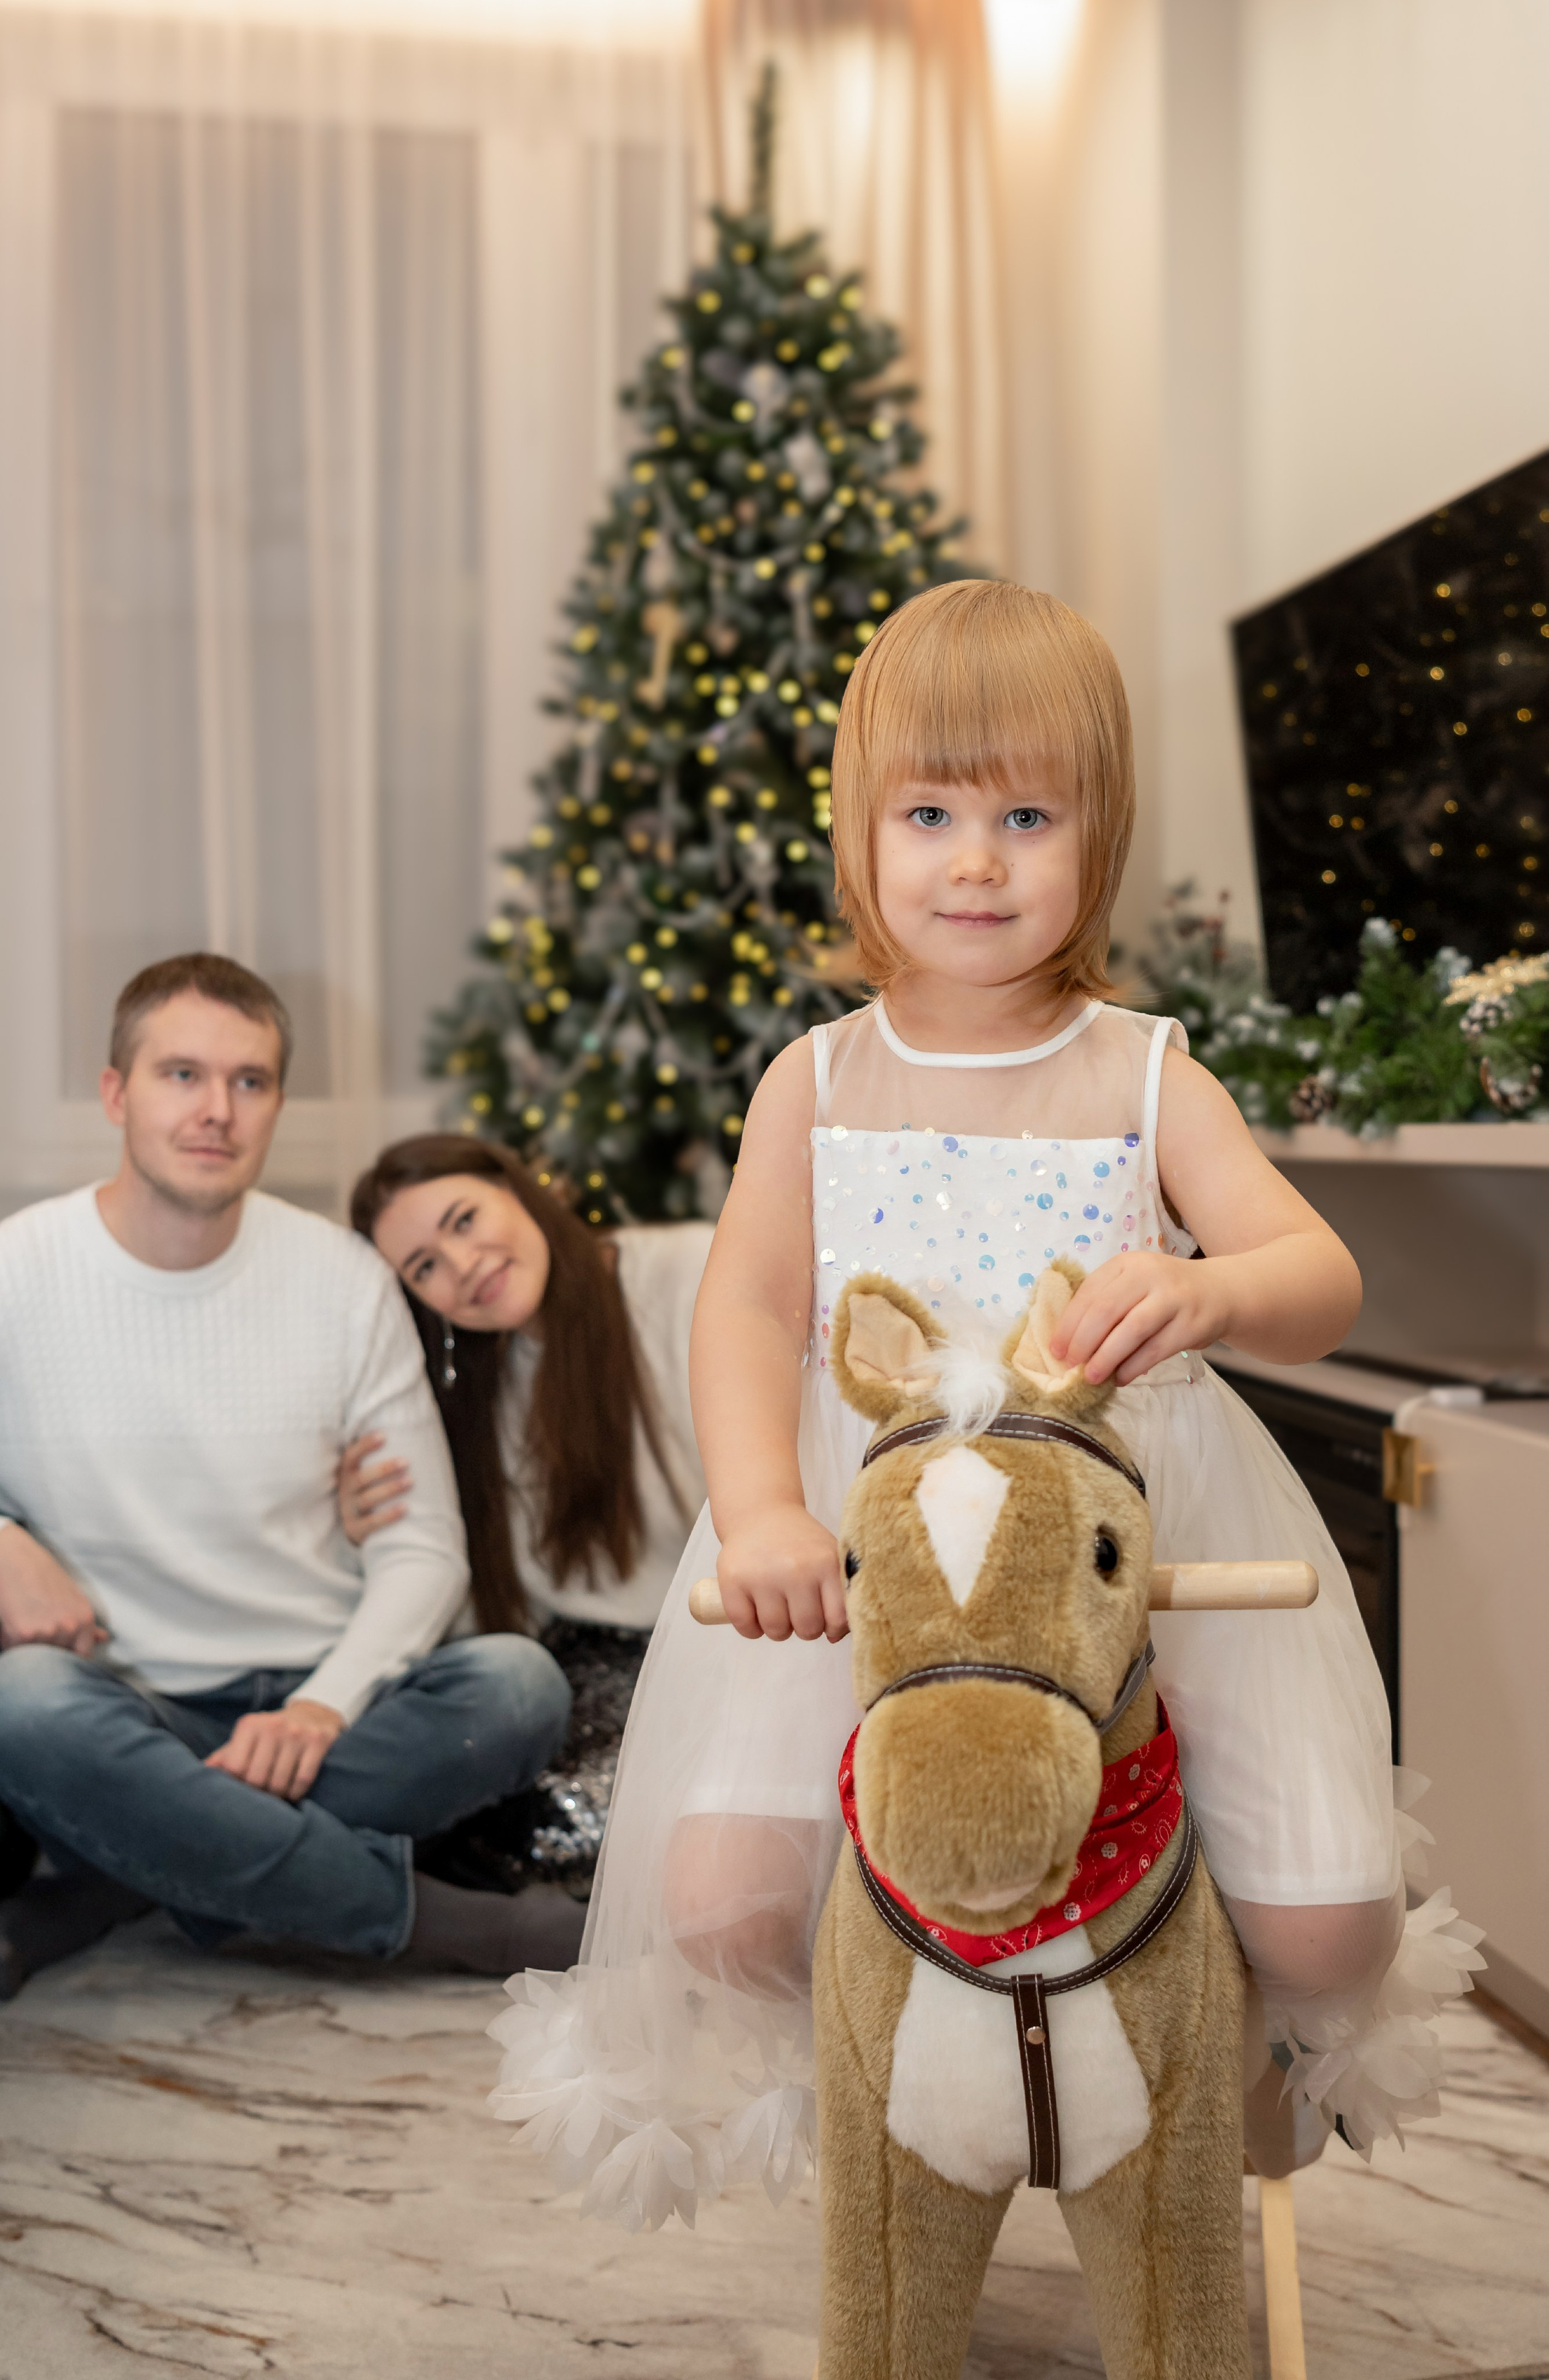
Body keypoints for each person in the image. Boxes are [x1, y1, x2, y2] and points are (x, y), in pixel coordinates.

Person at [488, 580, 1482, 2230]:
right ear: (858, 831)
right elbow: (743, 1301)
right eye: (929, 811)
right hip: (865, 1532)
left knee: (1327, 1933)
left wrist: (1213, 1287)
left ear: (1092, 837)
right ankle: (919, 2068)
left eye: (1026, 813)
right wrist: (758, 1508)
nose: (973, 857)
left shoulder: (1142, 1064)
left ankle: (1187, 2065)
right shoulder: (813, 1076)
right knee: (723, 1902)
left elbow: (1316, 1269)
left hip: (1129, 1519)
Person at [0, 953, 583, 1998]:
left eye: (250, 1081)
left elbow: (423, 1545)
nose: (217, 1110)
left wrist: (322, 1704)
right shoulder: (6, 1278)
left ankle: (141, 1871)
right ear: (116, 1092)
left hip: (334, 1707)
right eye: (181, 1075)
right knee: (26, 1701)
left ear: (276, 1102)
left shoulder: (342, 1278)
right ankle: (449, 1926)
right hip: (138, 1706)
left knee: (519, 1686)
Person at [343, 1136, 710, 1895]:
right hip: (583, 1670)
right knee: (466, 1817)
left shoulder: (688, 1273)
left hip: (728, 1646)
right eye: (424, 1268)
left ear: (518, 1188)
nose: (462, 1264)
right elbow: (477, 1603)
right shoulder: (469, 1390)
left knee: (549, 1839)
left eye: (465, 1219)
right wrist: (355, 1531)